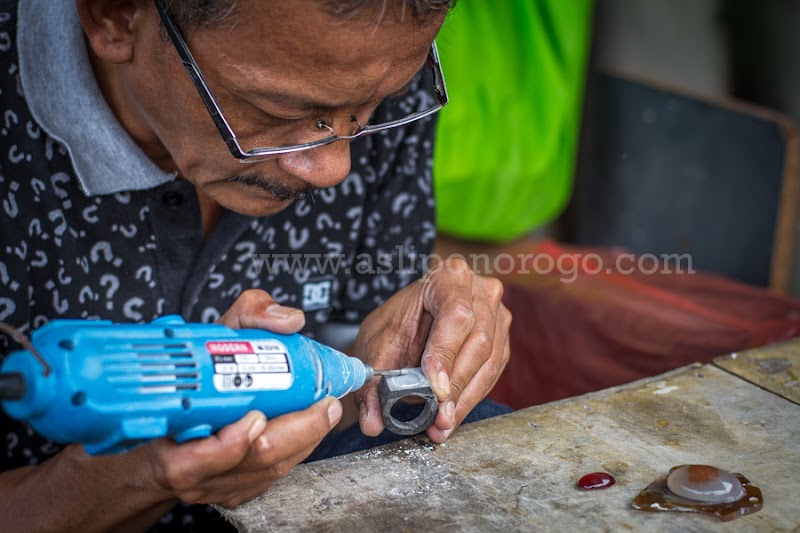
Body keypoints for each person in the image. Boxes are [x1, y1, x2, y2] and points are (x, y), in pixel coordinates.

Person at [0, 0, 511, 530]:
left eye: (373, 105)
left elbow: (363, 365)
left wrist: (408, 347)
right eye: (279, 112)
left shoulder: (366, 67)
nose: (335, 168)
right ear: (116, 16)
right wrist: (139, 473)